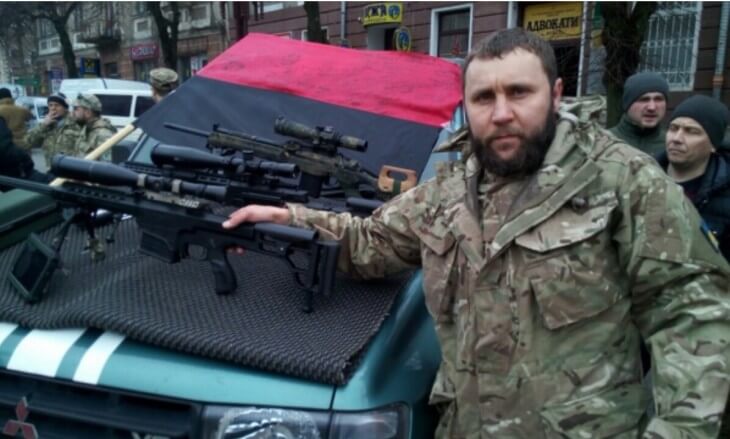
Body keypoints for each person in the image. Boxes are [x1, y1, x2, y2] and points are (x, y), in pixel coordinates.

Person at [222, 28, 730, 438]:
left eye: (519, 92)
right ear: (466, 106)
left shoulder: (623, 181)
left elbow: (694, 315)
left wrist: (679, 430)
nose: (502, 113)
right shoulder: (448, 192)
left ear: (556, 95)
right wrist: (291, 220)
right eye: (484, 97)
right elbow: (369, 242)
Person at [656, 95, 730, 260]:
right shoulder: (642, 177)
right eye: (673, 128)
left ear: (713, 145)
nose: (677, 139)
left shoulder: (724, 195)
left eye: (691, 132)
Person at [609, 72, 669, 155]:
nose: (652, 107)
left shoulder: (673, 145)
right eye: (644, 99)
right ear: (627, 104)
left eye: (658, 99)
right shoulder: (603, 142)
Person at [25, 93, 81, 168]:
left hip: (71, 169)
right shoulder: (46, 125)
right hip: (52, 169)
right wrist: (44, 125)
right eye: (50, 105)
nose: (53, 108)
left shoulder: (75, 123)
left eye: (57, 105)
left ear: (65, 108)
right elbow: (27, 142)